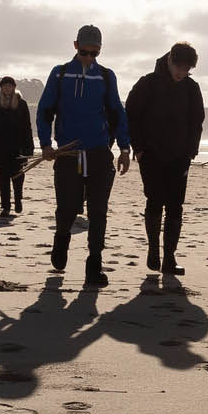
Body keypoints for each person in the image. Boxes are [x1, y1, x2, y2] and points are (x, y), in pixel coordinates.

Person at [36, 25, 131, 287]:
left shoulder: (106, 77)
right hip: (68, 153)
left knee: (98, 211)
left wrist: (124, 149)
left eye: (95, 52)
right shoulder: (60, 73)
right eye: (85, 51)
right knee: (66, 208)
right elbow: (45, 110)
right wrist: (45, 143)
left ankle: (94, 265)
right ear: (75, 45)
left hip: (99, 152)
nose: (90, 57)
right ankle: (61, 241)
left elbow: (116, 113)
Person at [125, 41, 205, 277]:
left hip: (180, 157)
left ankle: (169, 257)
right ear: (170, 60)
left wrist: (191, 152)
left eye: (187, 70)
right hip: (151, 155)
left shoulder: (192, 88)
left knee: (175, 207)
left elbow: (196, 122)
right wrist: (138, 149)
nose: (182, 73)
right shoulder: (147, 83)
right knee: (154, 201)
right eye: (179, 68)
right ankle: (153, 250)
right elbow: (132, 116)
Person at [0, 76, 34, 217]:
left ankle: (18, 200)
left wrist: (29, 149)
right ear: (1, 87)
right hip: (1, 146)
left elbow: (27, 127)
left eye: (10, 85)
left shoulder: (21, 103)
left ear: (14, 87)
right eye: (5, 86)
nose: (7, 88)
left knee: (18, 175)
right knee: (3, 177)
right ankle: (5, 206)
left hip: (19, 147)